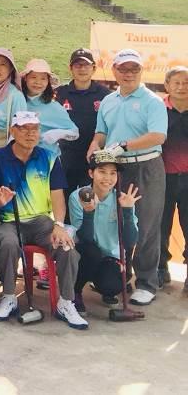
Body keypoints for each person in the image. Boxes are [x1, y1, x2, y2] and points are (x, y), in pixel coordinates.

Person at [0, 111, 85, 330]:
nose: (30, 134)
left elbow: (58, 195)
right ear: (13, 131)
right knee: (9, 243)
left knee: (66, 246)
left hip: (40, 221)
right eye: (24, 128)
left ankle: (66, 302)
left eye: (34, 129)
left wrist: (59, 225)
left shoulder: (49, 157)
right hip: (6, 219)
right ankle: (9, 296)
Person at [89, 49, 168, 306]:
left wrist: (123, 146)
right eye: (123, 69)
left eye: (134, 69)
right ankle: (119, 276)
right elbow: (102, 132)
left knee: (146, 224)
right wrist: (94, 145)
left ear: (141, 71)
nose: (129, 73)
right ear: (114, 71)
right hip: (116, 169)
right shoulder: (109, 101)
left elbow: (158, 136)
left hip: (146, 166)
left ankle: (146, 282)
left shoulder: (151, 101)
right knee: (117, 222)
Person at [68, 151, 139, 313]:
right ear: (91, 173)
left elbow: (129, 242)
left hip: (110, 257)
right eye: (102, 172)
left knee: (112, 285)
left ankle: (104, 288)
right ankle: (76, 291)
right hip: (85, 253)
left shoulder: (122, 199)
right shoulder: (78, 196)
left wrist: (127, 212)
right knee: (91, 251)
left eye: (113, 173)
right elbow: (84, 238)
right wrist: (89, 212)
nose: (108, 178)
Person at [55, 48, 111, 193]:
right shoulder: (60, 93)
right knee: (66, 201)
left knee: (92, 201)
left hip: (94, 157)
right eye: (77, 65)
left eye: (86, 65)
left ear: (94, 68)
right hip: (67, 157)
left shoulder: (105, 95)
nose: (82, 69)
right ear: (70, 68)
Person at [159, 66, 188, 290]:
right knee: (160, 226)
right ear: (167, 85)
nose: (181, 87)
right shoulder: (157, 109)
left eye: (185, 82)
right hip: (162, 178)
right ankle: (160, 268)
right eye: (176, 82)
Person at [20, 58, 78, 158]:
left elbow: (74, 133)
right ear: (25, 78)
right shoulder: (17, 101)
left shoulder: (54, 107)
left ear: (48, 82)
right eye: (33, 77)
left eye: (43, 78)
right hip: (18, 160)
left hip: (47, 162)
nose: (38, 82)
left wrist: (58, 133)